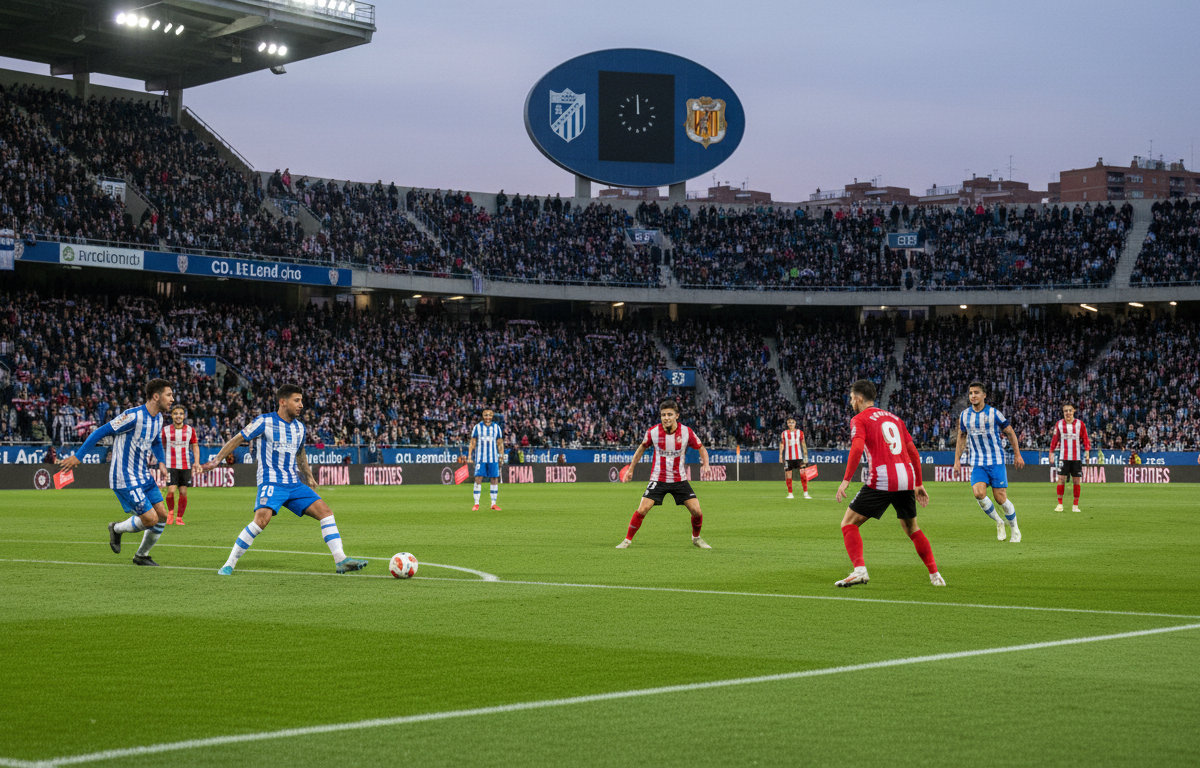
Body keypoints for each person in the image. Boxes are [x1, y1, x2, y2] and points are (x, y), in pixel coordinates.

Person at [201, 384, 368, 576]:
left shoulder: (299, 428)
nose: (301, 405)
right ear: (283, 402)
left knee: (326, 512)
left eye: (301, 401)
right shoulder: (264, 422)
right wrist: (216, 460)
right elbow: (238, 438)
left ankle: (341, 560)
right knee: (261, 521)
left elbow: (300, 454)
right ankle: (229, 564)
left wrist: (310, 477)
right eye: (296, 401)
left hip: (294, 484)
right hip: (271, 481)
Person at [834, 379, 943, 587]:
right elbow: (913, 452)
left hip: (883, 478)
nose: (850, 402)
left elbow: (857, 447)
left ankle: (859, 571)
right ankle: (935, 575)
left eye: (851, 398)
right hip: (906, 477)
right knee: (912, 528)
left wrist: (846, 479)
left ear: (858, 398)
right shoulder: (895, 418)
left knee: (848, 523)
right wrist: (918, 482)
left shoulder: (859, 419)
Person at [58, 379, 174, 566]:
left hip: (143, 475)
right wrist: (78, 456)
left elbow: (156, 442)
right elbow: (101, 431)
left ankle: (141, 555)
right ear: (156, 396)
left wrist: (161, 461)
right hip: (124, 477)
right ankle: (117, 529)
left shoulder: (158, 418)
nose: (172, 399)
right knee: (150, 519)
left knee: (162, 514)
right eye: (169, 395)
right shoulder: (132, 416)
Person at [617, 399, 712, 549]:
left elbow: (701, 448)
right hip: (658, 479)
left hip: (679, 479)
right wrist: (630, 469)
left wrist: (706, 464)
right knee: (642, 509)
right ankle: (627, 540)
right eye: (663, 415)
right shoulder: (653, 432)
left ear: (677, 416)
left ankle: (696, 538)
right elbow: (641, 448)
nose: (666, 417)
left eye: (669, 414)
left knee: (696, 511)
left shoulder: (686, 432)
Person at [953, 381, 1025, 543]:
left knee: (1000, 498)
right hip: (978, 462)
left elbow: (1010, 433)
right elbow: (961, 437)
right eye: (971, 393)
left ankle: (1014, 528)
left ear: (984, 395)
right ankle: (999, 522)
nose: (973, 396)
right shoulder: (965, 415)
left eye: (976, 392)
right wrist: (957, 460)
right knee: (978, 493)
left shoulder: (994, 414)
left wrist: (1017, 454)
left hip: (996, 461)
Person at [162, 405, 201, 525]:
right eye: (175, 414)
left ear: (184, 416)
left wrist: (197, 462)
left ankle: (179, 517)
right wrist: (161, 462)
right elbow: (161, 446)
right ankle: (170, 513)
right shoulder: (166, 430)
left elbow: (195, 446)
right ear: (172, 416)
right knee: (171, 491)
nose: (178, 416)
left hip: (185, 465)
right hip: (171, 464)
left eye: (180, 414)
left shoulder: (190, 430)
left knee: (183, 492)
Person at [1050, 403, 1090, 512]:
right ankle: (1060, 504)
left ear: (1074, 412)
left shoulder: (1080, 424)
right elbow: (1054, 440)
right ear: (1063, 413)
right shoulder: (1059, 424)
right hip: (1063, 457)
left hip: (1076, 458)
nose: (1068, 413)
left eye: (1070, 411)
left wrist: (1087, 451)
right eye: (1065, 411)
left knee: (1077, 481)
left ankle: (1075, 505)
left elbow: (1085, 438)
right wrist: (1051, 452)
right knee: (1061, 480)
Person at [467, 408, 504, 511]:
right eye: (486, 415)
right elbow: (473, 442)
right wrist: (469, 455)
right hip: (480, 458)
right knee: (478, 478)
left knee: (494, 479)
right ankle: (476, 503)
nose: (488, 417)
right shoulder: (477, 428)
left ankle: (493, 503)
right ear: (483, 416)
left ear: (492, 416)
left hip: (493, 458)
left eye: (489, 415)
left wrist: (501, 455)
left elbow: (500, 442)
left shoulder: (496, 428)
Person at [779, 416, 811, 500]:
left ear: (795, 423)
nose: (791, 424)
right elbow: (782, 444)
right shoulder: (784, 433)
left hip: (799, 457)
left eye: (792, 422)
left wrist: (805, 456)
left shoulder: (800, 433)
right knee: (788, 476)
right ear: (787, 424)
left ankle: (806, 493)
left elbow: (803, 444)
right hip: (788, 458)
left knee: (803, 475)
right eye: (789, 422)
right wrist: (780, 455)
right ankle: (790, 493)